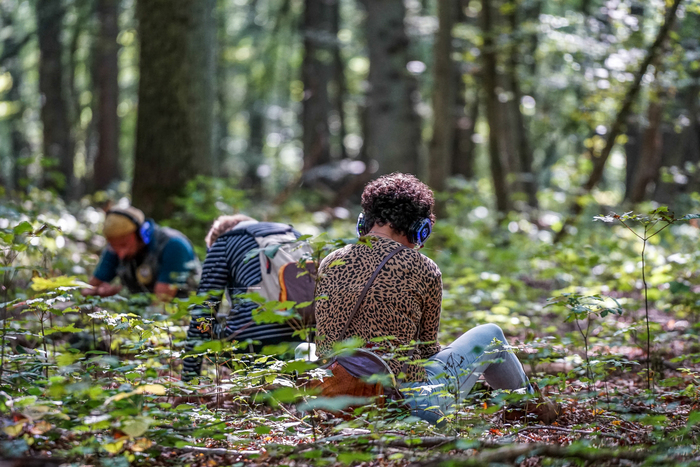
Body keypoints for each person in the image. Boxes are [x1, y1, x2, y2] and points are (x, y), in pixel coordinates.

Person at [313, 173, 559, 424]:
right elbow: (427, 351)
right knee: (491, 334)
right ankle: (534, 411)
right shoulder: (423, 267)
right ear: (420, 229)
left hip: (331, 402)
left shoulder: (331, 261)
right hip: (402, 408)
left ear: (364, 221)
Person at [181, 215, 306, 382]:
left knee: (205, 323)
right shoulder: (294, 234)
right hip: (304, 338)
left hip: (253, 343)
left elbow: (202, 313)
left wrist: (187, 382)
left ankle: (256, 376)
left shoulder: (224, 242)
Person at [81, 206, 200, 301]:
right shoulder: (115, 247)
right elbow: (88, 290)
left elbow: (160, 304)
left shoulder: (174, 246)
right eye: (114, 246)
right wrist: (102, 292)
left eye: (124, 245)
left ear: (142, 234)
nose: (121, 254)